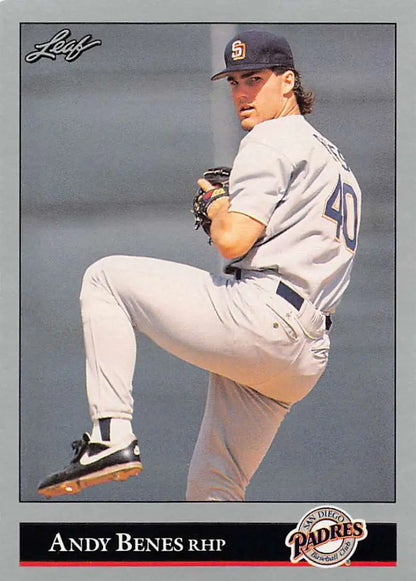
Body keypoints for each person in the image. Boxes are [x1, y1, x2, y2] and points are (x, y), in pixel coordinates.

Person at [38, 29, 361, 501]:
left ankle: (111, 436)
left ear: (288, 82)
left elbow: (232, 239)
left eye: (254, 78)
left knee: (104, 278)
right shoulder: (334, 161)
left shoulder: (271, 138)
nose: (242, 92)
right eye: (233, 81)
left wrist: (216, 206)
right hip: (304, 355)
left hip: (262, 318)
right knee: (214, 489)